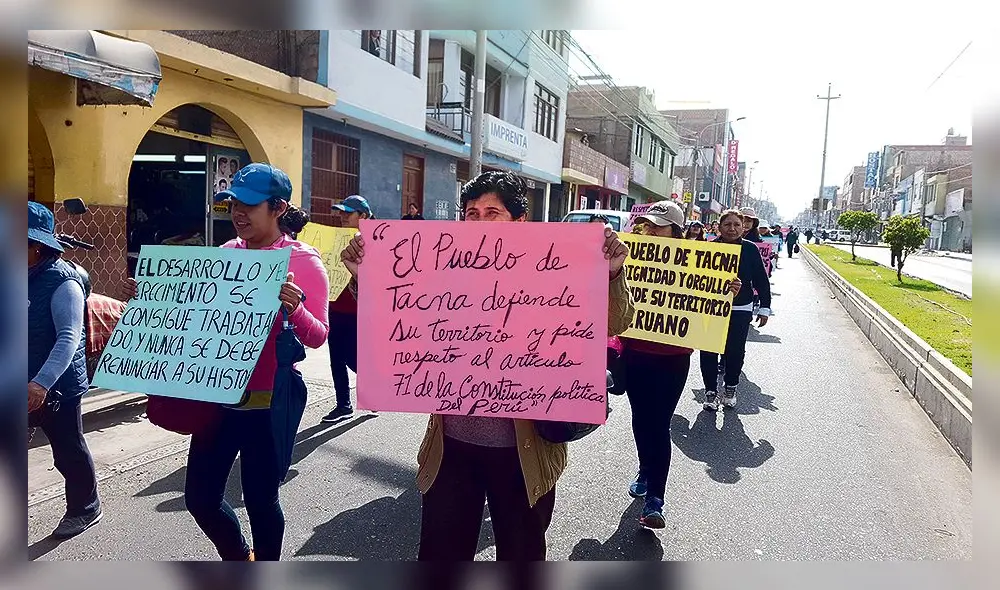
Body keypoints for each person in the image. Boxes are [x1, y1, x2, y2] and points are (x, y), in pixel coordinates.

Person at [339, 170, 635, 561]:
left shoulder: (555, 265)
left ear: (519, 220)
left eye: (491, 212)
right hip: (452, 446)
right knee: (441, 556)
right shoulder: (441, 265)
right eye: (472, 213)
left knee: (519, 555)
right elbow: (397, 319)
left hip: (523, 451)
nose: (478, 221)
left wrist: (611, 272)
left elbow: (615, 322)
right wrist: (366, 276)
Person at [124, 163, 330, 561]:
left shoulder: (304, 262)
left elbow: (318, 335)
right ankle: (239, 558)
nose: (238, 212)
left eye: (249, 205)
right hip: (217, 400)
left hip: (270, 404)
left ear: (277, 207)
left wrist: (295, 309)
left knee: (260, 499)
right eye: (233, 202)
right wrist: (152, 302)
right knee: (200, 499)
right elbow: (194, 322)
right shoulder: (223, 255)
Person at [621, 201, 740, 529]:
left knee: (658, 424)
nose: (652, 230)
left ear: (676, 230)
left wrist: (727, 290)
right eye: (649, 224)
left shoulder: (700, 263)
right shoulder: (630, 254)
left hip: (672, 359)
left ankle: (655, 499)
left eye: (660, 225)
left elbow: (709, 306)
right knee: (640, 419)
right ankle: (645, 470)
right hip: (634, 352)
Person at [28, 201, 102, 539]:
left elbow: (69, 337)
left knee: (68, 450)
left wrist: (41, 384)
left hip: (56, 385)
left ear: (37, 246)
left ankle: (85, 507)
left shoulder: (63, 282)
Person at [701, 209, 771, 412]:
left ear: (743, 227)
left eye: (736, 225)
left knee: (735, 349)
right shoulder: (708, 249)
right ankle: (710, 392)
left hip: (740, 307)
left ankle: (730, 387)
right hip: (711, 307)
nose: (732, 228)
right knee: (708, 349)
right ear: (719, 227)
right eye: (727, 224)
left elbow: (761, 280)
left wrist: (764, 307)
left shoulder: (750, 249)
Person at [321, 195, 373, 423]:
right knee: (336, 358)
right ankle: (343, 404)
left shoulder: (375, 241)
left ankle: (374, 389)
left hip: (359, 311)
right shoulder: (335, 239)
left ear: (362, 216)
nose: (342, 217)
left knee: (353, 356)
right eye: (341, 212)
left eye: (348, 213)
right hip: (334, 308)